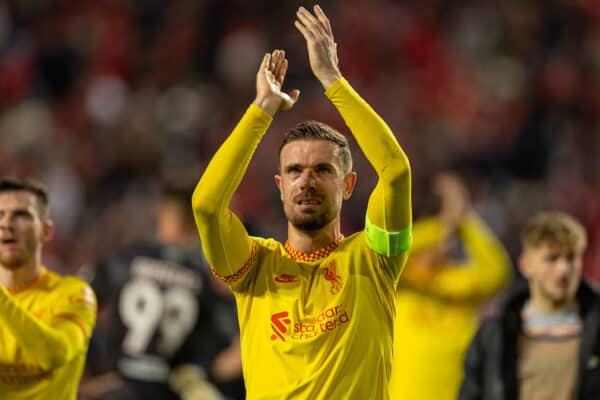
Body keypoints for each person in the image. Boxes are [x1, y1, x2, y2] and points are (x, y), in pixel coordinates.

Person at [192, 4, 412, 399]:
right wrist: (261, 110)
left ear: (348, 185)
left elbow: (395, 171)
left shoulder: (375, 257)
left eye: (323, 171)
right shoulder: (254, 268)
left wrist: (332, 79)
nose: (306, 181)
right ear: (279, 185)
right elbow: (207, 205)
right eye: (294, 171)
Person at [80, 181, 243, 400]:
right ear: (197, 224)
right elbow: (236, 352)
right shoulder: (205, 278)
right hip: (169, 391)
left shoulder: (128, 258)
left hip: (116, 386)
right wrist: (203, 377)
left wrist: (85, 380)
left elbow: (74, 306)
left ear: (162, 213)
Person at [390, 171, 512, 399]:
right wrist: (441, 225)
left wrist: (464, 219)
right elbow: (390, 252)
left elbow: (497, 270)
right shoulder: (397, 282)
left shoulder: (458, 283)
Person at [459, 211, 600, 400]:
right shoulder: (494, 335)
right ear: (526, 265)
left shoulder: (596, 331)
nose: (563, 269)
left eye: (571, 258)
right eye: (552, 258)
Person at [0, 177, 97, 399]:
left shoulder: (72, 293)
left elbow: (54, 354)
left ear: (46, 231)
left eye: (21, 215)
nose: (6, 224)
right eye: (0, 215)